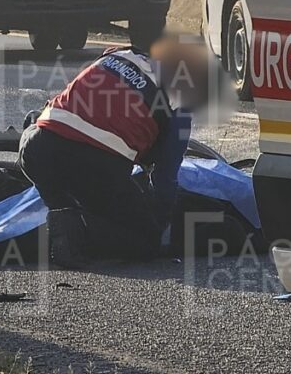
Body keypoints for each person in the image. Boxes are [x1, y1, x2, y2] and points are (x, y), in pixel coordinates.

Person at [19, 37, 212, 267]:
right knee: (144, 241)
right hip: (93, 166)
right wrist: (157, 224)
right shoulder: (179, 101)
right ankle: (73, 233)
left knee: (62, 182)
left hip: (35, 146)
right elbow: (165, 178)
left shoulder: (116, 55)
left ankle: (62, 213)